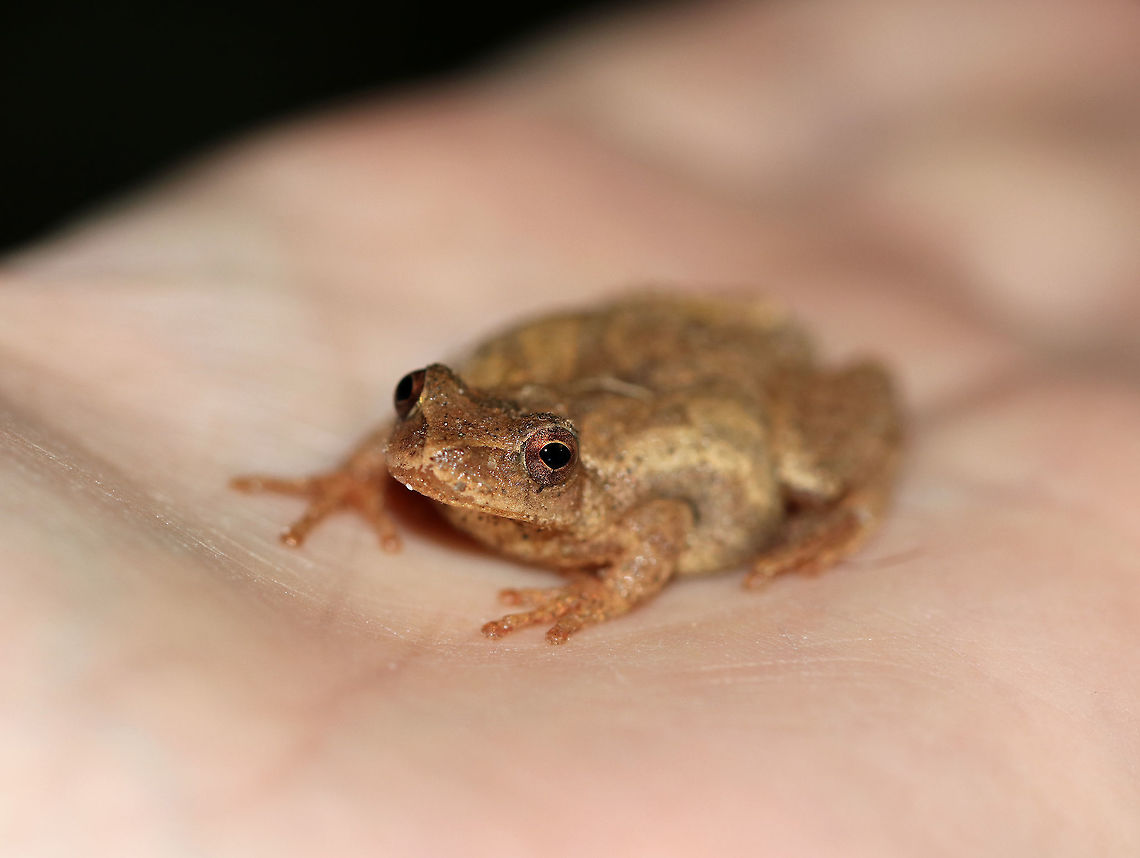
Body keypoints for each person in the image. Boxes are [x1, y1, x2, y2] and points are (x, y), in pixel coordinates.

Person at [3, 0, 1138, 853]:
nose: (429, 455)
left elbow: (655, 530)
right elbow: (433, 445)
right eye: (414, 406)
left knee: (809, 453)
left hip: (726, 415)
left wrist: (600, 595)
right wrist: (355, 476)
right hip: (640, 375)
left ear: (563, 468)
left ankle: (855, 495)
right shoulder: (436, 445)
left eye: (543, 462)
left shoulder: (605, 503)